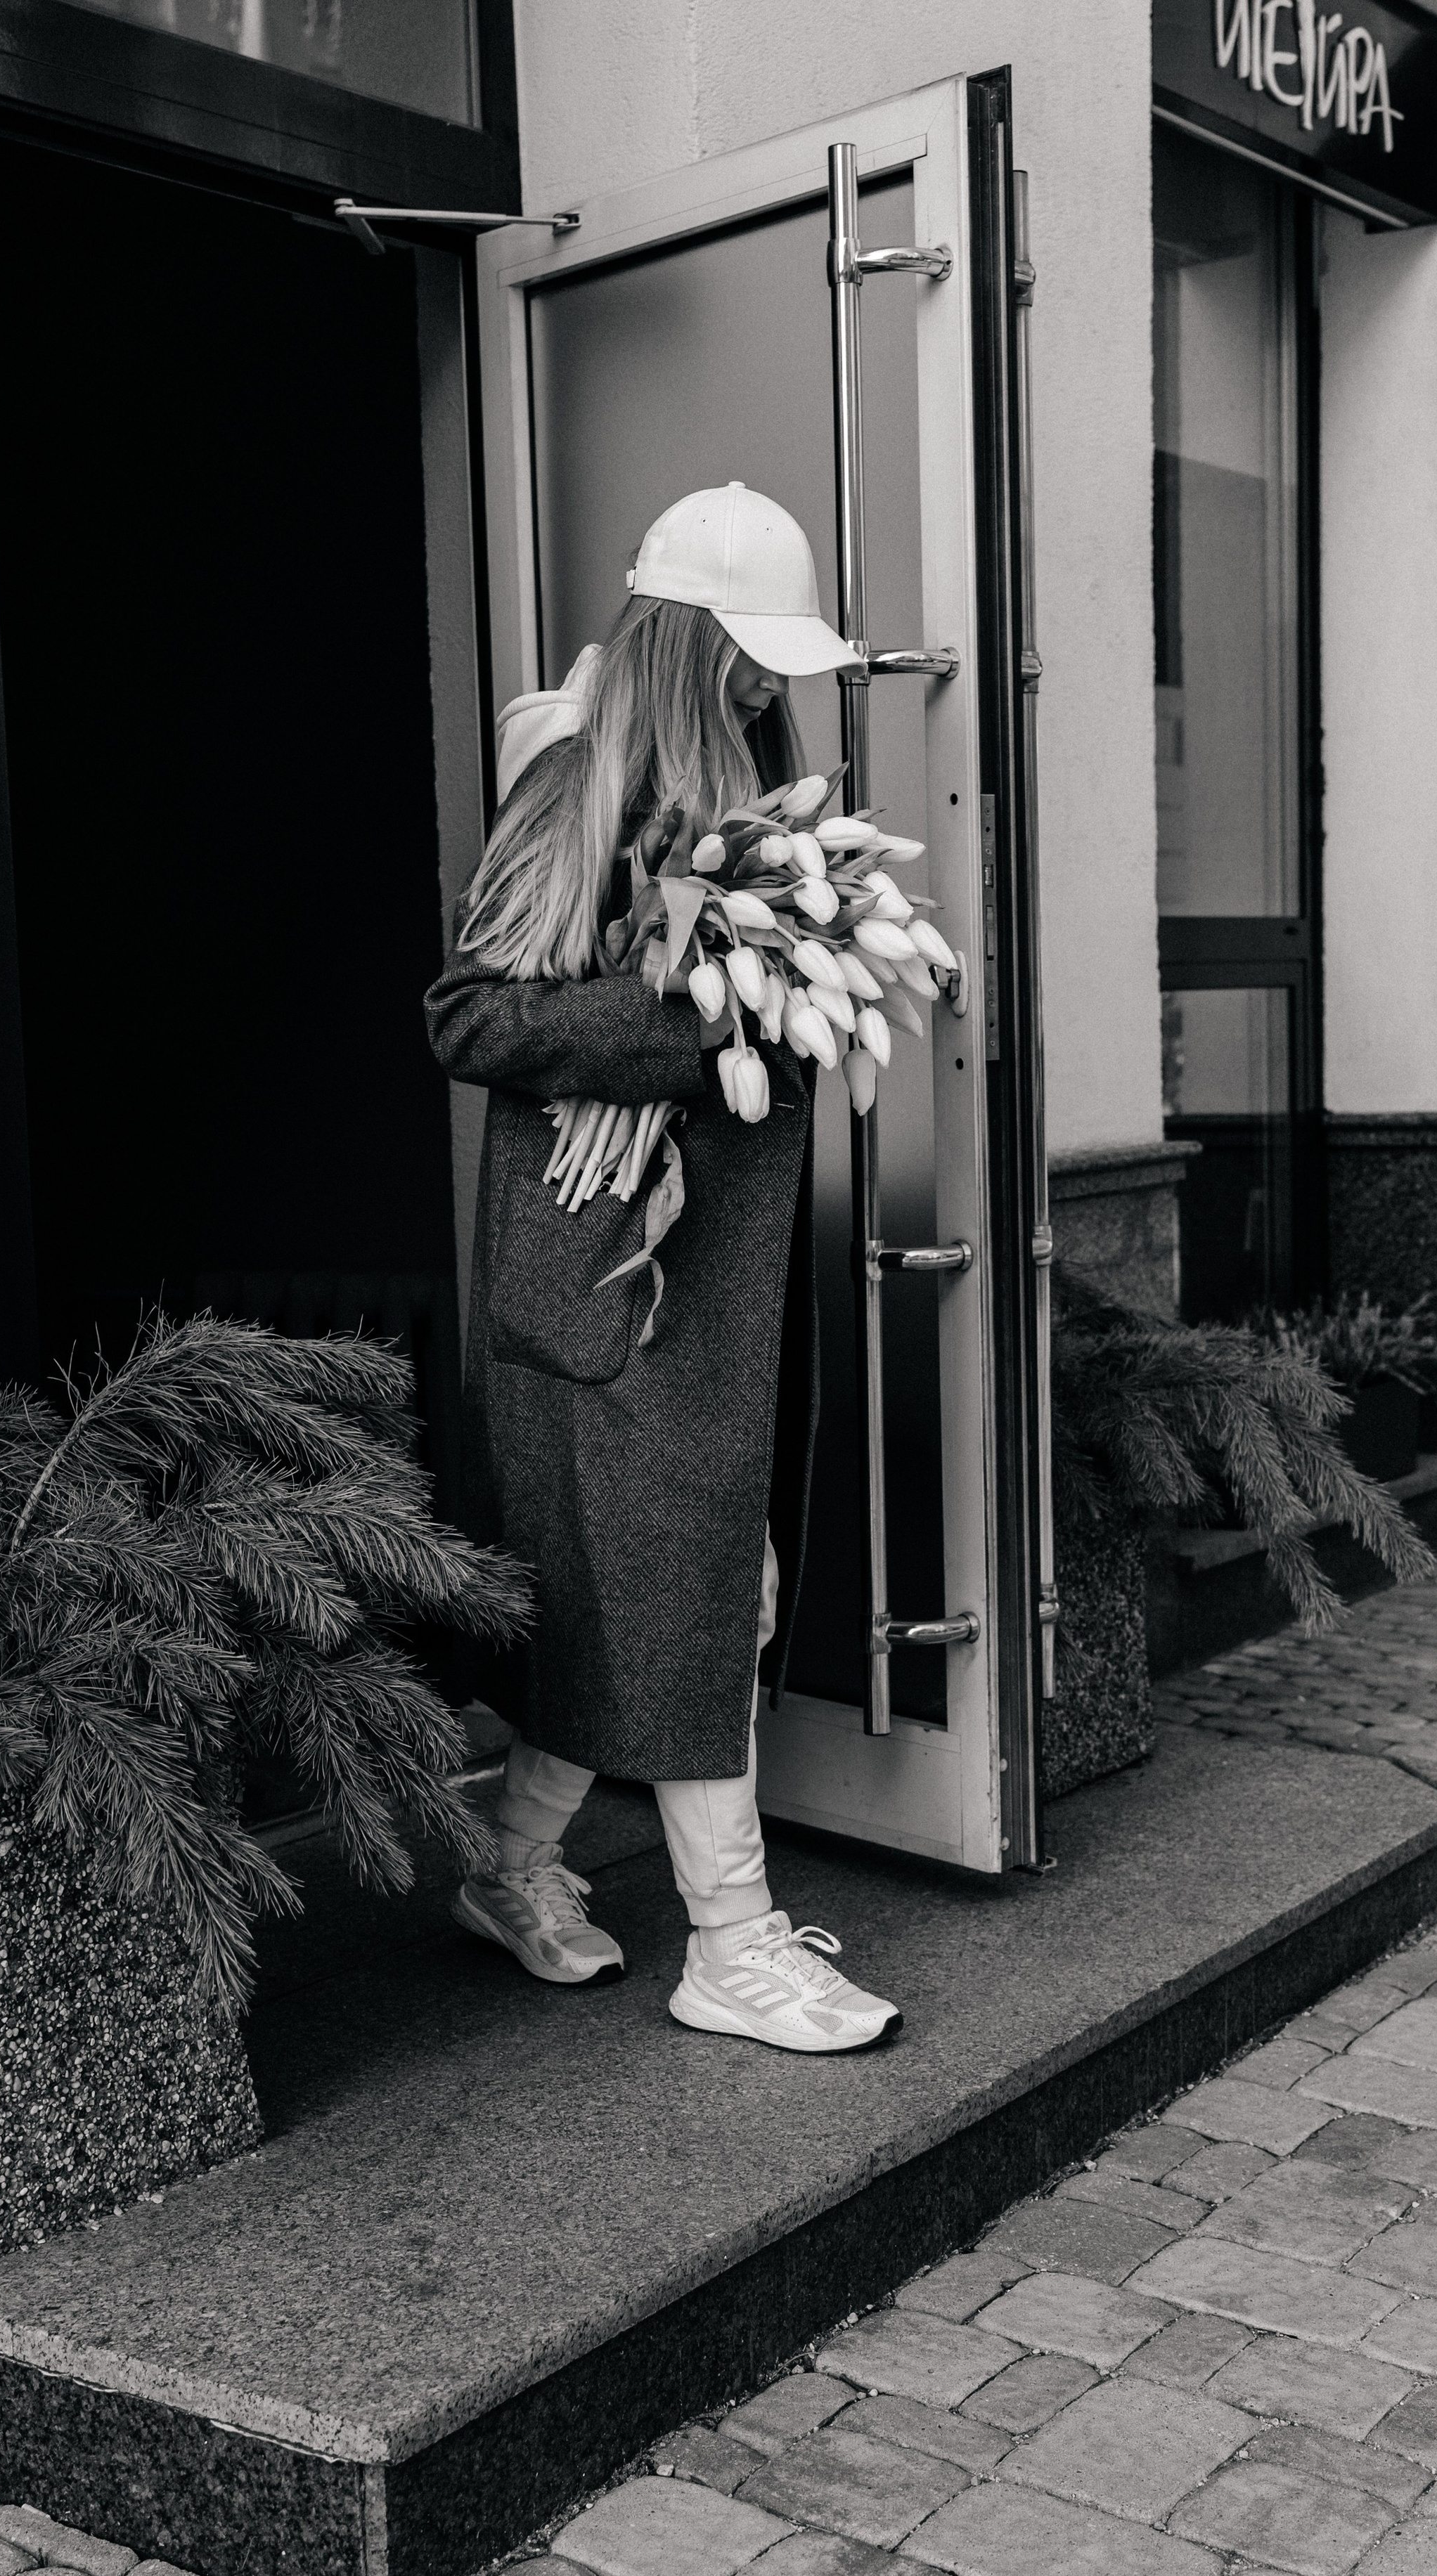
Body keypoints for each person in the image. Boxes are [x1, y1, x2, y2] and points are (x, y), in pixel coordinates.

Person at [425, 482, 901, 2054]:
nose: (773, 684)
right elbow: (469, 1017)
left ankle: (505, 1860)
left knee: (648, 1601)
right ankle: (732, 1940)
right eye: (750, 653)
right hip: (608, 1295)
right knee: (695, 1592)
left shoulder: (738, 778)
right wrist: (707, 1023)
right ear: (684, 640)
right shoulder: (569, 775)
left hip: (707, 1284)